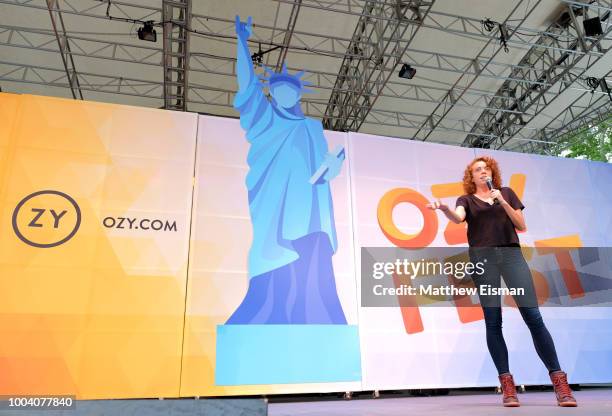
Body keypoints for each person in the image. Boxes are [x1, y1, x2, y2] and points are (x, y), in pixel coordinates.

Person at [225, 16, 347, 325]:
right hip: (273, 201)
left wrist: (332, 167)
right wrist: (242, 42)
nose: (284, 94)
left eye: (290, 91)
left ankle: (318, 322)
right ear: (272, 93)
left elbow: (321, 168)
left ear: (297, 96)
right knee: (273, 256)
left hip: (308, 209)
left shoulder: (311, 127)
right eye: (278, 89)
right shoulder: (263, 118)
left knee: (312, 263)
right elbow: (247, 84)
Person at [427, 156, 577, 407]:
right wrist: (444, 210)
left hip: (511, 256)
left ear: (492, 173)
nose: (483, 171)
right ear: (471, 177)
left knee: (534, 317)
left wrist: (502, 201)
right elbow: (458, 217)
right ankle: (507, 386)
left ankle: (560, 383)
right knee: (493, 322)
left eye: (486, 168)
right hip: (483, 259)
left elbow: (520, 224)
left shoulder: (505, 193)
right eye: (478, 169)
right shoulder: (466, 200)